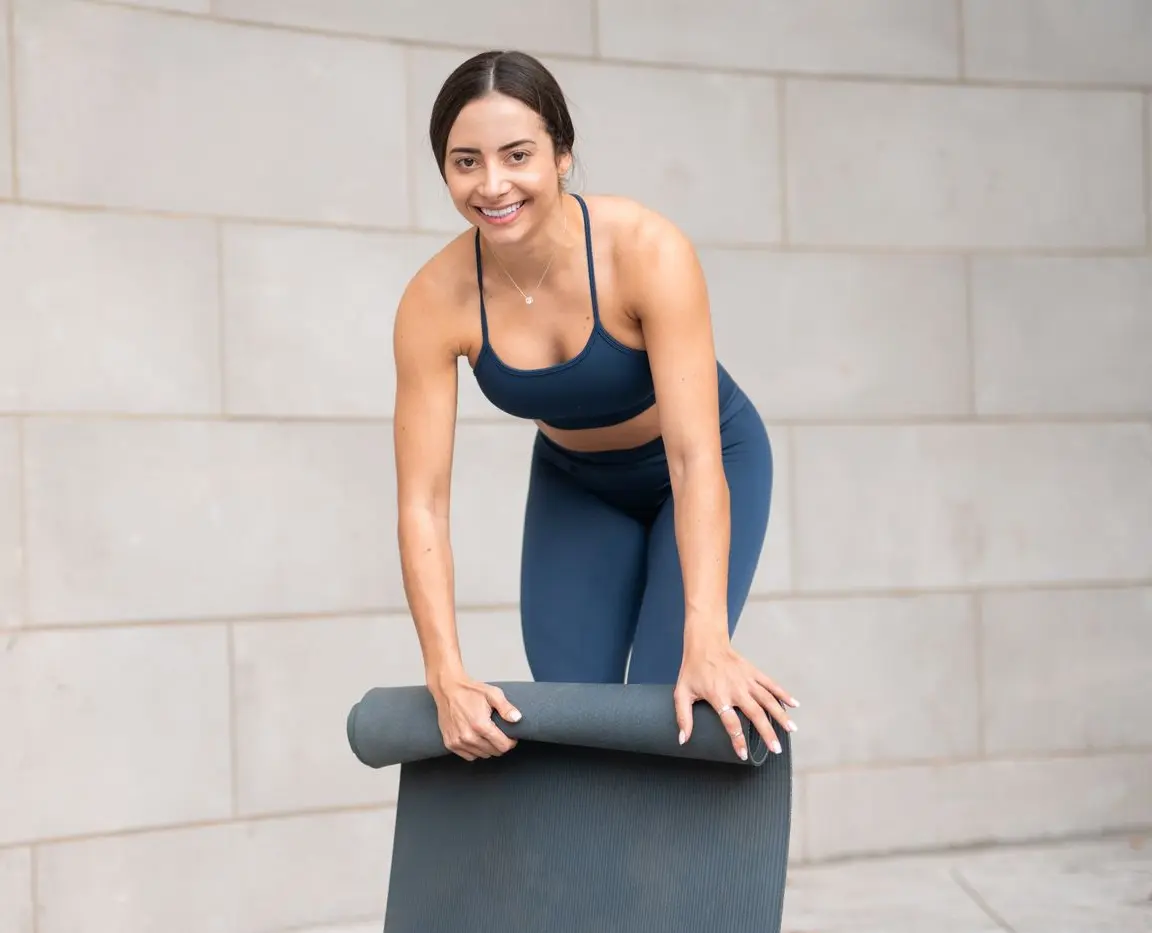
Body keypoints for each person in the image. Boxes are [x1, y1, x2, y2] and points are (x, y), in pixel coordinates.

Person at [393, 49, 799, 767]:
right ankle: (591, 879)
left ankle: (682, 878)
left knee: (668, 706)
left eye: (517, 154)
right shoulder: (435, 299)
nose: (493, 184)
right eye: (466, 162)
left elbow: (693, 454)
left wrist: (707, 637)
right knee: (573, 719)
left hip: (706, 459)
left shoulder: (645, 249)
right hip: (577, 483)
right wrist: (445, 671)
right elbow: (422, 502)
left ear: (562, 155)